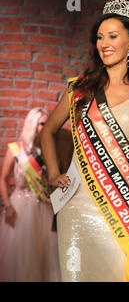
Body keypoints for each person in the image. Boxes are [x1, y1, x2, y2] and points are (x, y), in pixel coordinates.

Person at [41, 0, 129, 282]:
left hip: (126, 207)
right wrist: (53, 173)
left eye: (113, 36)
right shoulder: (80, 89)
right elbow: (48, 130)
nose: (104, 43)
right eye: (100, 37)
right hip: (76, 207)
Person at [0, 107, 60, 282]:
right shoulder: (16, 149)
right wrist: (7, 205)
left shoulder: (48, 151)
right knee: (20, 257)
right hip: (20, 208)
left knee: (42, 256)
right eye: (42, 124)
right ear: (32, 124)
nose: (45, 127)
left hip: (43, 207)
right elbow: (2, 179)